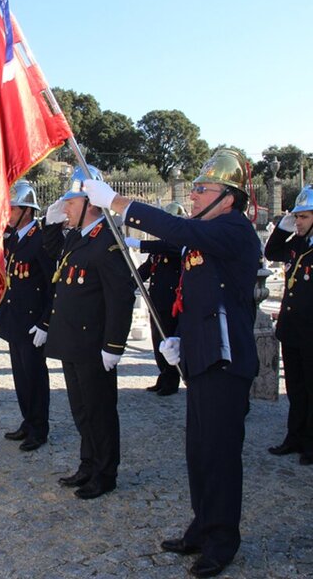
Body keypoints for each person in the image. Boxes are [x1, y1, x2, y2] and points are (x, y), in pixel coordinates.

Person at [84, 148, 260, 578]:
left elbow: (176, 227)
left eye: (204, 189)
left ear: (228, 198)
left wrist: (120, 204)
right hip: (202, 357)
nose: (195, 195)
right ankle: (202, 526)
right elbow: (199, 296)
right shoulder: (205, 235)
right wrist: (179, 337)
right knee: (198, 452)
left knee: (218, 456)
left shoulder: (235, 230)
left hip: (227, 362)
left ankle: (222, 541)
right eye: (195, 188)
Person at [43, 165, 136, 498]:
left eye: (70, 202)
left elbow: (121, 297)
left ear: (90, 204)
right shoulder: (77, 237)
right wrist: (53, 220)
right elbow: (48, 250)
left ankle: (105, 473)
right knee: (81, 410)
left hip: (94, 343)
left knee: (99, 412)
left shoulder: (108, 242)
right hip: (72, 340)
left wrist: (114, 345)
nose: (65, 207)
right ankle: (87, 464)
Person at [0, 180, 55, 448]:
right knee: (20, 377)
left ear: (27, 211)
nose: (8, 213)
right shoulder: (15, 239)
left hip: (33, 322)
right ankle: (27, 421)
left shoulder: (41, 240)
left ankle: (39, 428)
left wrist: (45, 322)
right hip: (15, 318)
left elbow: (52, 285)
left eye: (12, 208)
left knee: (34, 376)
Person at [265, 185, 313, 465]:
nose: (298, 222)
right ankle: (293, 437)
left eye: (304, 217)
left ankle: (310, 443)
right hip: (292, 328)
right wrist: (282, 229)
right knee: (295, 387)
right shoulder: (296, 242)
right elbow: (272, 252)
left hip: (311, 331)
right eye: (297, 217)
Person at [128, 201, 185, 396]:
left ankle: (171, 380)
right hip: (156, 301)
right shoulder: (160, 248)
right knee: (157, 341)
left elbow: (170, 248)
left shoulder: (178, 243)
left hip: (171, 303)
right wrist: (128, 285)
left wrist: (140, 244)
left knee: (168, 340)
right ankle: (163, 376)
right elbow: (145, 270)